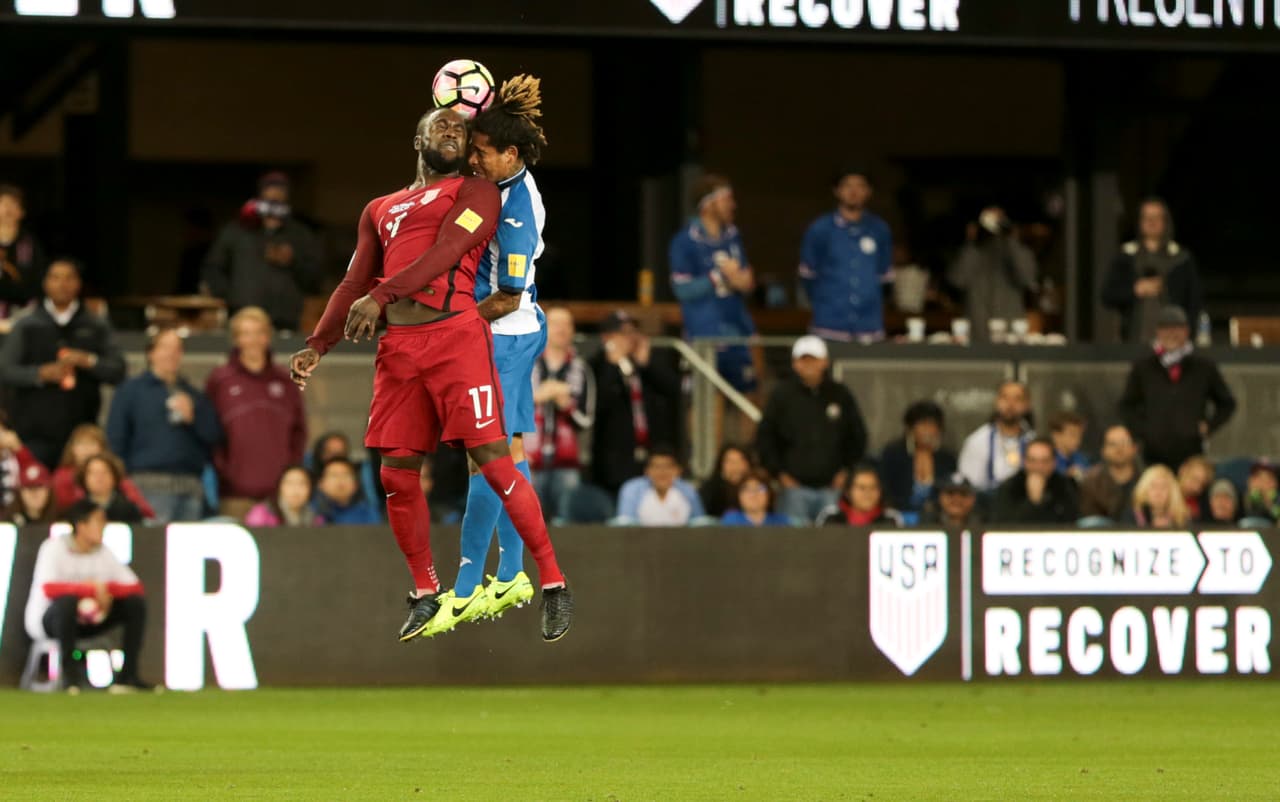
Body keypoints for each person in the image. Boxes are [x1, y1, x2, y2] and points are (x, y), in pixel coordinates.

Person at [288, 105, 571, 643]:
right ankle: (424, 590)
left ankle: (553, 581)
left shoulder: (475, 194)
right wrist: (317, 344)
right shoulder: (381, 207)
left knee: (493, 458)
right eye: (438, 124)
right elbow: (353, 281)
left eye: (460, 130)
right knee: (395, 474)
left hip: (457, 340)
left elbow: (448, 252)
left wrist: (382, 296)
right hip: (399, 350)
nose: (450, 130)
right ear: (416, 139)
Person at [446, 75, 557, 625]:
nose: (474, 161)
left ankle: (471, 580)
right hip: (507, 335)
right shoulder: (503, 185)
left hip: (505, 335)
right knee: (504, 454)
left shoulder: (516, 212)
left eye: (482, 153)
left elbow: (508, 294)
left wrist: (452, 324)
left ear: (510, 154)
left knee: (486, 457)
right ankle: (510, 571)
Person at [0, 259, 126, 469]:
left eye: (69, 278)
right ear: (45, 283)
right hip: (34, 436)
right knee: (35, 494)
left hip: (82, 438)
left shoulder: (94, 324)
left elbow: (118, 370)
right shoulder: (28, 324)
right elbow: (4, 370)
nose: (62, 284)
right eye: (55, 277)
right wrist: (40, 374)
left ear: (78, 283)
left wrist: (88, 361)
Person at [24, 499, 152, 692]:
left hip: (90, 621)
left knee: (134, 604)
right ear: (81, 525)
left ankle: (127, 676)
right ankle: (70, 678)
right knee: (67, 603)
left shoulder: (103, 552)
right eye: (98, 521)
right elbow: (49, 589)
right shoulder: (54, 548)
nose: (104, 526)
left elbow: (135, 587)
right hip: (51, 622)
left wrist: (105, 591)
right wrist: (90, 589)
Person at [106, 329, 222, 523]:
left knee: (187, 548)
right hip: (148, 484)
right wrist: (123, 484)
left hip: (190, 486)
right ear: (151, 353)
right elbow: (116, 439)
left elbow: (213, 436)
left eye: (177, 349)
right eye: (165, 347)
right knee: (154, 547)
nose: (171, 354)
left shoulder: (193, 394)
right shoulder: (131, 391)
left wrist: (194, 417)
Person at [206, 307, 308, 520]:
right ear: (236, 339)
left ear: (267, 337)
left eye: (259, 333)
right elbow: (209, 434)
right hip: (235, 495)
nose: (253, 340)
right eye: (246, 333)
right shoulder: (220, 380)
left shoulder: (285, 381)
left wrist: (288, 476)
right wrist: (226, 472)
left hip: (279, 498)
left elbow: (299, 432)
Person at [757, 335, 868, 524]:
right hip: (793, 489)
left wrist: (846, 471)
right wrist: (780, 474)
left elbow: (857, 435)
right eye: (803, 359)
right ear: (795, 364)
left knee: (832, 541)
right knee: (793, 543)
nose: (808, 365)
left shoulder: (840, 394)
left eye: (813, 359)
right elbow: (765, 437)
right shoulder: (782, 395)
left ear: (824, 362)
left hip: (832, 487)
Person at [669, 173, 758, 392]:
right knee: (704, 400)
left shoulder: (733, 236)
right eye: (726, 199)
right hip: (703, 334)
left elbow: (746, 280)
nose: (733, 205)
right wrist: (719, 276)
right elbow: (682, 289)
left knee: (748, 394)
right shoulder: (685, 241)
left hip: (737, 331)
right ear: (708, 204)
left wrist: (742, 280)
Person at [1119, 305, 1236, 470]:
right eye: (1166, 329)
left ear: (1187, 331)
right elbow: (1126, 406)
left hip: (1191, 455)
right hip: (1153, 456)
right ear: (1158, 333)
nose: (1171, 334)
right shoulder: (1143, 368)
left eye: (1177, 328)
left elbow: (1227, 403)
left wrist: (1209, 426)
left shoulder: (1204, 367)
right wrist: (1144, 432)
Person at [202, 171, 321, 332]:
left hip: (285, 321)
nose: (275, 195)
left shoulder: (300, 235)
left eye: (280, 191)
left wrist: (292, 260)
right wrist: (230, 299)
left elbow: (314, 278)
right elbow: (213, 268)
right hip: (244, 318)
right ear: (260, 194)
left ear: (287, 196)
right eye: (270, 190)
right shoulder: (237, 231)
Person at [589, 309, 681, 496]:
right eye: (623, 333)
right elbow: (598, 406)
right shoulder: (597, 365)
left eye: (633, 332)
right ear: (607, 338)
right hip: (614, 460)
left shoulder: (647, 364)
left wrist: (648, 364)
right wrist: (612, 367)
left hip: (650, 456)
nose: (630, 338)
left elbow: (674, 391)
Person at [798, 166, 893, 342]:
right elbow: (807, 277)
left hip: (869, 327)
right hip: (828, 325)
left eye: (860, 186)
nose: (854, 191)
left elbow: (884, 278)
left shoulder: (880, 230)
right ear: (837, 190)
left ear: (869, 191)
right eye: (848, 185)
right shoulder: (820, 229)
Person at [526, 307, 596, 521]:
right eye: (556, 323)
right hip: (529, 460)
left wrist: (565, 404)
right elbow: (507, 409)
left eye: (567, 324)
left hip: (567, 464)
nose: (561, 329)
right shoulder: (527, 363)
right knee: (526, 522)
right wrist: (539, 397)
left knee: (566, 524)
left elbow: (587, 420)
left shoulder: (581, 369)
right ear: (543, 327)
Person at [1101, 198, 1203, 344]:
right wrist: (1135, 290)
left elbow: (1194, 302)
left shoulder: (1182, 259)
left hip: (1174, 342)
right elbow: (1107, 295)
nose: (1151, 222)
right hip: (1133, 339)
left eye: (1156, 217)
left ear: (1165, 221)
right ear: (1139, 221)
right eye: (1147, 217)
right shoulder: (1126, 256)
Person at [947, 207, 1038, 343]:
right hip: (977, 334)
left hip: (1011, 335)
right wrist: (972, 242)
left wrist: (1011, 238)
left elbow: (1028, 279)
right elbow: (957, 280)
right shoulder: (973, 253)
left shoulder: (1017, 252)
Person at [51, 424, 155, 520]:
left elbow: (143, 509)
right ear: (72, 448)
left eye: (92, 443)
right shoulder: (62, 477)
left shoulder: (120, 485)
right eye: (81, 444)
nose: (86, 449)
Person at [878, 400, 957, 515]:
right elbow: (885, 489)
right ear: (910, 428)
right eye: (923, 424)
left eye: (932, 425)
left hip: (937, 518)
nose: (928, 431)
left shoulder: (947, 458)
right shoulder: (894, 453)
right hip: (898, 515)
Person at [957, 381, 1034, 493]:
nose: (1010, 404)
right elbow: (967, 487)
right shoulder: (977, 441)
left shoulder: (1033, 441)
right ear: (996, 402)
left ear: (1027, 405)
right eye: (1005, 398)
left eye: (1017, 399)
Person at [991, 438, 1079, 524]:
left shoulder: (1064, 486)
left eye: (1044, 461)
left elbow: (1072, 522)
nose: (1038, 467)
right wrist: (1032, 503)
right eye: (1033, 461)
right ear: (1025, 462)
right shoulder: (1010, 487)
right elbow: (1003, 525)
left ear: (1053, 463)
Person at [615, 447, 705, 526]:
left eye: (668, 466)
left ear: (678, 470)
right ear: (646, 471)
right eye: (656, 466)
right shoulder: (632, 490)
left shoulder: (688, 491)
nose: (662, 472)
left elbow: (699, 524)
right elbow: (625, 525)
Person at [0, 183, 46, 317]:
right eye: (2, 202)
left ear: (22, 212)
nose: (8, 208)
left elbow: (37, 282)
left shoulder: (31, 244)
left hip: (23, 312)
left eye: (13, 203)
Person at [1078, 425, 1140, 522]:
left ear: (1134, 448)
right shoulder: (1091, 482)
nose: (1119, 449)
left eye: (1124, 443)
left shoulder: (1147, 480)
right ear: (1103, 451)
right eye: (1112, 444)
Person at [818, 464, 902, 527]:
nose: (868, 492)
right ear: (847, 492)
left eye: (873, 487)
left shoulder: (891, 519)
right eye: (862, 488)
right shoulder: (831, 517)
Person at [77, 454, 146, 524]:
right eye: (93, 473)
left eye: (104, 472)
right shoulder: (76, 512)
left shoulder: (129, 510)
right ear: (84, 477)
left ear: (114, 476)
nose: (99, 478)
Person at [245, 465, 323, 527]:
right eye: (289, 483)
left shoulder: (316, 519)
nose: (296, 489)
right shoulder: (261, 514)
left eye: (302, 483)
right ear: (280, 487)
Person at [312, 457, 381, 525]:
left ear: (356, 484)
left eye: (346, 475)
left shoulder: (368, 513)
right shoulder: (312, 511)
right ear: (321, 484)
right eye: (334, 475)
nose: (340, 480)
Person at [1122, 464, 1189, 528]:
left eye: (1163, 487)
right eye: (1153, 486)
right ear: (1144, 489)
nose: (1158, 492)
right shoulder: (1132, 516)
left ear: (1172, 492)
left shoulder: (1181, 518)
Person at [721, 469, 791, 527]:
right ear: (738, 495)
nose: (753, 494)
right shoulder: (730, 521)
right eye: (747, 489)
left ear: (769, 494)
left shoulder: (781, 522)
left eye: (760, 488)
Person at [700, 444, 753, 519]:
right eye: (730, 461)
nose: (735, 467)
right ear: (721, 465)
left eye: (740, 461)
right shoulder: (710, 489)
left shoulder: (757, 490)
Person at [3, 460, 56, 526]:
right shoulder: (7, 524)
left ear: (49, 491)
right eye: (29, 487)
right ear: (19, 492)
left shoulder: (59, 522)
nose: (34, 493)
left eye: (39, 486)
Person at [1048, 411, 1089, 480]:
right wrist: (1065, 477)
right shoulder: (1046, 460)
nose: (1078, 439)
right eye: (1073, 434)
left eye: (1080, 435)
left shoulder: (1081, 458)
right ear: (1056, 435)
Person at [1176, 455, 1213, 522]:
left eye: (1202, 485)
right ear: (1182, 470)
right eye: (1194, 479)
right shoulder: (1164, 493)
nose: (1197, 488)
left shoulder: (1202, 505)